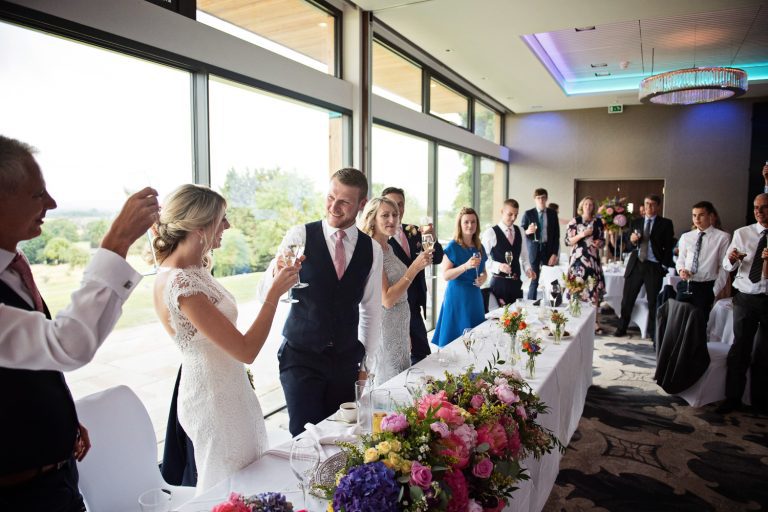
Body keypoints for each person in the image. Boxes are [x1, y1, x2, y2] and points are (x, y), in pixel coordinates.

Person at [0, 135, 159, 511]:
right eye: (38, 195)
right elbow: (66, 345)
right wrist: (116, 242)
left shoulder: (13, 269)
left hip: (59, 477)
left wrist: (61, 417)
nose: (51, 204)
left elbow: (34, 361)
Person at [152, 184, 299, 492]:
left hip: (229, 388)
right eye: (222, 218)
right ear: (198, 224)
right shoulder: (180, 282)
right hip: (212, 399)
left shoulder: (197, 268)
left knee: (249, 478)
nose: (228, 226)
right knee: (226, 485)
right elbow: (245, 350)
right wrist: (274, 294)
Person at [262, 168, 383, 436]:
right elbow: (266, 292)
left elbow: (371, 311)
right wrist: (276, 274)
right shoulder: (299, 236)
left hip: (345, 360)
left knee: (341, 435)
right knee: (304, 435)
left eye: (344, 202)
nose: (334, 207)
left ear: (361, 205)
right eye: (330, 197)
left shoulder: (371, 249)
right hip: (301, 356)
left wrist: (366, 367)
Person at [359, 197, 431, 384]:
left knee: (400, 380)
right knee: (388, 384)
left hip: (398, 327)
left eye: (395, 215)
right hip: (383, 328)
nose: (392, 220)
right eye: (385, 215)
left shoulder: (388, 247)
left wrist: (404, 331)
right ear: (372, 218)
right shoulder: (371, 250)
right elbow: (387, 299)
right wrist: (414, 268)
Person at [717, 193, 768, 415]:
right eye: (756, 207)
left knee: (764, 353)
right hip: (746, 297)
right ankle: (732, 398)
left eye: (764, 207)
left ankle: (759, 401)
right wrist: (731, 259)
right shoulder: (743, 233)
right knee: (740, 349)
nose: (759, 211)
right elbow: (727, 267)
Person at [382, 187, 444, 365]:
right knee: (402, 361)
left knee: (423, 356)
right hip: (395, 305)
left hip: (416, 305)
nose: (397, 210)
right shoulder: (381, 240)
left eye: (400, 205)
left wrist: (433, 238)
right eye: (392, 205)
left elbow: (437, 257)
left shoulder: (415, 231)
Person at [613, 194, 674, 339]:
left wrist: (663, 266)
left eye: (652, 204)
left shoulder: (665, 223)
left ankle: (654, 333)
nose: (649, 207)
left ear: (658, 206)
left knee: (653, 302)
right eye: (646, 204)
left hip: (654, 266)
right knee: (627, 299)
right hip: (636, 264)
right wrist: (632, 241)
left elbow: (669, 246)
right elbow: (627, 245)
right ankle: (622, 328)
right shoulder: (636, 222)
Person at [431, 207, 487, 348]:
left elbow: (484, 271)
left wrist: (483, 278)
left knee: (475, 343)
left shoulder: (479, 246)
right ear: (460, 225)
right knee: (455, 343)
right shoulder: (452, 246)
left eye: (473, 222)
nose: (470, 225)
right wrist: (465, 266)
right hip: (457, 298)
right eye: (466, 222)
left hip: (475, 297)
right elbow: (446, 275)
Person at [675, 201, 730, 312]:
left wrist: (714, 291)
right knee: (678, 320)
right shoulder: (686, 236)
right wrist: (681, 270)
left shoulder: (722, 237)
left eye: (701, 215)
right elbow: (681, 259)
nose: (697, 219)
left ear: (710, 216)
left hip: (706, 287)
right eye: (694, 215)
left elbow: (723, 266)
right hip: (686, 284)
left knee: (699, 323)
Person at [481, 198, 534, 307]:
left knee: (518, 318)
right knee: (500, 320)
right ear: (502, 212)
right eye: (510, 214)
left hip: (516, 283)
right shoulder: (491, 233)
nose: (513, 218)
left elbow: (524, 255)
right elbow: (482, 258)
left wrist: (528, 269)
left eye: (516, 215)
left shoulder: (520, 231)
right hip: (499, 285)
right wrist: (499, 266)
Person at [565, 196, 606, 333]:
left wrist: (599, 243)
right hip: (578, 261)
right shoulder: (574, 222)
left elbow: (602, 241)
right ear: (582, 206)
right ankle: (573, 318)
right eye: (586, 204)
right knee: (576, 289)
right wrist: (582, 234)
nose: (588, 206)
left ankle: (594, 322)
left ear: (593, 207)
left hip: (593, 260)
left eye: (591, 204)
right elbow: (568, 241)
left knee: (593, 290)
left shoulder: (598, 222)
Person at [521, 188, 560, 299]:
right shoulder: (528, 214)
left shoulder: (552, 214)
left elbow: (556, 236)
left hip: (548, 250)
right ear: (535, 199)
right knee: (534, 279)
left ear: (546, 198)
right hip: (533, 249)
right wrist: (528, 231)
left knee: (551, 280)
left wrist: (555, 253)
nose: (541, 200)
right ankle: (530, 305)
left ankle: (553, 305)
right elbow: (521, 232)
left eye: (543, 198)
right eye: (538, 198)